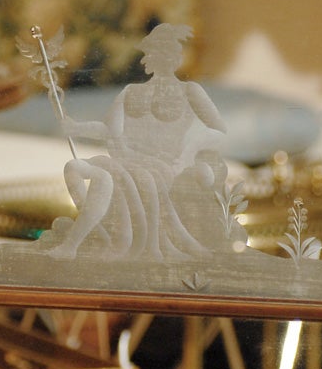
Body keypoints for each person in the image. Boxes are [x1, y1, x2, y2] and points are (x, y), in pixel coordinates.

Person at [45, 22, 242, 260]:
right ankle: (98, 238)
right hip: (126, 159)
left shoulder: (190, 91)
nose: (150, 59)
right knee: (75, 167)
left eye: (157, 53)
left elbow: (219, 129)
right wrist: (77, 128)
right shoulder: (130, 91)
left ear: (171, 58)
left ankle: (76, 246)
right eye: (150, 53)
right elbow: (110, 131)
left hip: (161, 166)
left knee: (113, 179)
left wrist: (192, 148)